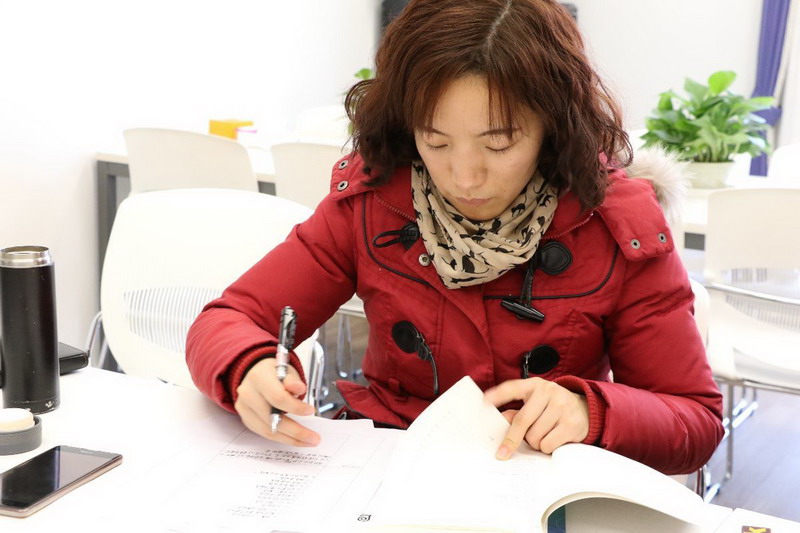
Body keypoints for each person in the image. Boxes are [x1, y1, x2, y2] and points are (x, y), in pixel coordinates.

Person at [186, 0, 723, 475]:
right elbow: (228, 320)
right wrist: (247, 366)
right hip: (387, 470)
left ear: (553, 127)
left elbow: (694, 419)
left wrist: (592, 411)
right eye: (435, 140)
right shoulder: (372, 202)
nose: (464, 178)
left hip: (535, 481)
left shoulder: (616, 227)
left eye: (499, 143)